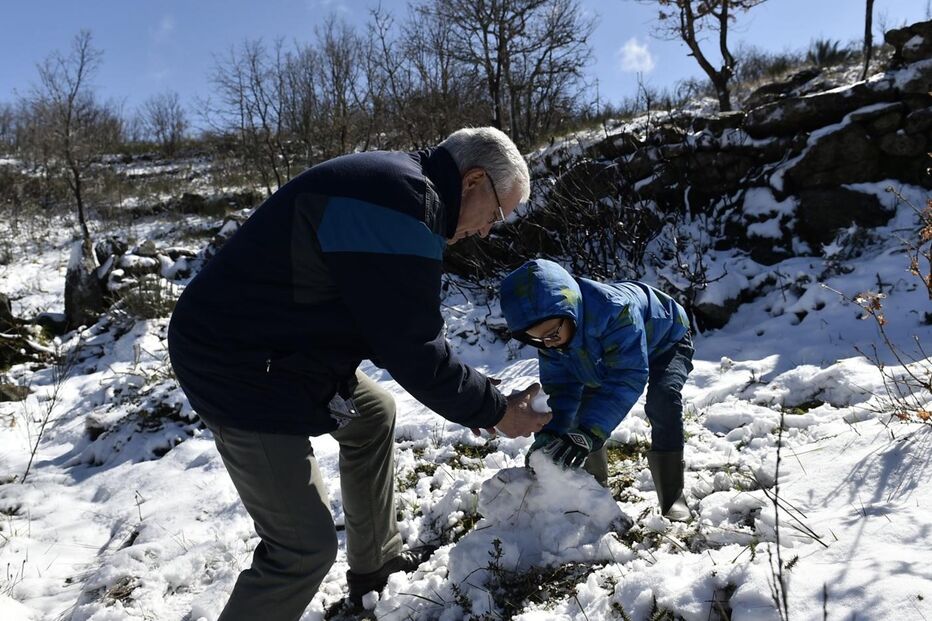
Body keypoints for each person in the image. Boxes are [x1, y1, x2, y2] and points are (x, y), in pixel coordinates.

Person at [167, 127, 551, 620]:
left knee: (372, 413)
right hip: (237, 363)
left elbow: (389, 323)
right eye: (495, 214)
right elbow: (412, 347)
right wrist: (495, 410)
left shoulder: (402, 190)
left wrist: (479, 398)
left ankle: (376, 568)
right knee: (301, 549)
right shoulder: (402, 205)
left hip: (283, 344)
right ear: (474, 180)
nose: (486, 232)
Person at [499, 258, 694, 521]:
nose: (547, 344)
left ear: (569, 309)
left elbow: (627, 376)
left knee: (663, 400)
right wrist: (551, 433)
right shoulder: (551, 336)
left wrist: (590, 433)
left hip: (666, 338)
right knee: (586, 407)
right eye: (537, 339)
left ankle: (672, 496)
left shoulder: (616, 312)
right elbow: (562, 390)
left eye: (552, 335)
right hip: (599, 350)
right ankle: (594, 490)